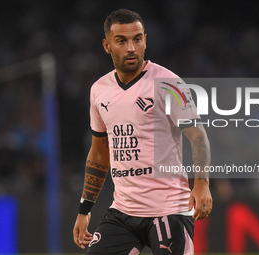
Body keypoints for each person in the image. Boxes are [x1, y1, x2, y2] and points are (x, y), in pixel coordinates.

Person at [73, 9, 212, 255]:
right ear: (107, 46)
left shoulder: (169, 83)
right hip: (123, 211)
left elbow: (198, 135)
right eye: (122, 41)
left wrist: (201, 184)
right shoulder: (99, 91)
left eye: (137, 39)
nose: (131, 48)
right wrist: (85, 209)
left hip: (169, 210)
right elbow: (99, 153)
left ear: (145, 40)